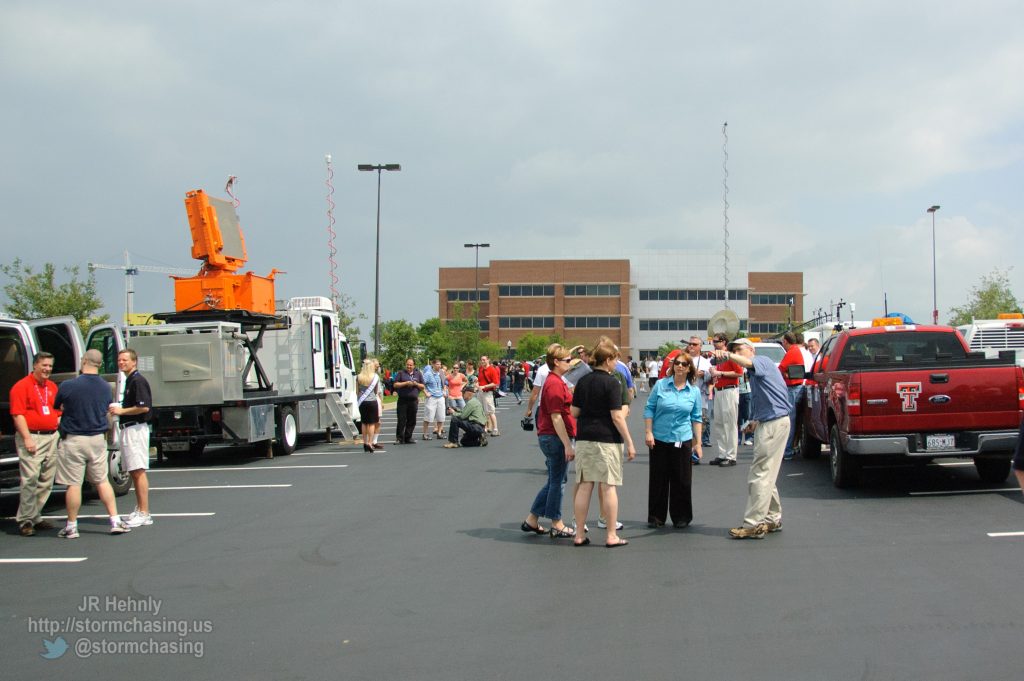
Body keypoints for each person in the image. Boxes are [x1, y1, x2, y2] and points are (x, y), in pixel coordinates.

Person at [712, 338, 791, 540]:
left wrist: (728, 354)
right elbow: (766, 396)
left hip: (773, 424)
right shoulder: (756, 372)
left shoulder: (761, 360)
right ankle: (773, 518)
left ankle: (754, 524)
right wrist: (755, 419)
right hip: (772, 421)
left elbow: (747, 363)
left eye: (740, 349)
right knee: (767, 474)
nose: (737, 353)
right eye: (734, 350)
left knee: (760, 475)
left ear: (751, 349)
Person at [53, 349, 132, 537]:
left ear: (84, 361)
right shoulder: (106, 387)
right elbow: (106, 408)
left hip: (74, 439)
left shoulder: (67, 385)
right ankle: (114, 520)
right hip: (97, 439)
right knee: (102, 480)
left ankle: (71, 526)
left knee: (73, 484)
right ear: (100, 364)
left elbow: (58, 406)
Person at [571, 338, 636, 548]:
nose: (616, 364)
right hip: (607, 439)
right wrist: (630, 442)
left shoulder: (582, 382)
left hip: (584, 438)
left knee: (584, 485)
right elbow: (617, 416)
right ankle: (611, 535)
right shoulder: (612, 383)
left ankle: (579, 533)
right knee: (609, 487)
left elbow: (574, 412)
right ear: (607, 360)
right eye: (615, 360)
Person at [522, 344, 577, 539]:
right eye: (567, 360)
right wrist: (568, 444)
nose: (570, 363)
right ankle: (557, 523)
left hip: (552, 436)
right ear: (556, 362)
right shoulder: (554, 383)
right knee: (557, 482)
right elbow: (556, 417)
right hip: (554, 437)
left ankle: (532, 518)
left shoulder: (557, 380)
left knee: (556, 479)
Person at [643, 352, 702, 528]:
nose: (680, 366)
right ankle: (656, 516)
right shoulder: (661, 385)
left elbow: (696, 418)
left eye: (684, 364)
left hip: (682, 439)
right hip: (659, 438)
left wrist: (697, 443)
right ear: (673, 365)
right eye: (677, 363)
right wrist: (648, 432)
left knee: (682, 480)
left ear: (689, 368)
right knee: (658, 479)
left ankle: (681, 516)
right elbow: (649, 409)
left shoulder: (694, 391)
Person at [10, 352, 61, 536]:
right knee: (30, 479)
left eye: (50, 366)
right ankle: (25, 520)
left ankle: (35, 515)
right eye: (44, 365)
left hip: (51, 436)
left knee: (46, 480)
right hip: (32, 437)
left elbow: (58, 410)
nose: (47, 369)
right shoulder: (21, 387)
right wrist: (27, 438)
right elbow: (18, 414)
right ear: (35, 366)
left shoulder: (52, 387)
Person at [110, 349, 154, 528]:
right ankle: (140, 509)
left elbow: (143, 407)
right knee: (134, 471)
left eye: (125, 360)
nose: (122, 363)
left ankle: (144, 512)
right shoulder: (130, 380)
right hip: (128, 429)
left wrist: (121, 411)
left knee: (138, 470)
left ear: (134, 362)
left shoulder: (138, 380)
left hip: (136, 429)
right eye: (120, 360)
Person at [708, 333, 744, 467]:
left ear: (723, 342)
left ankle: (731, 456)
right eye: (713, 341)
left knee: (729, 424)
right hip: (719, 390)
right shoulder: (717, 358)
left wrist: (721, 373)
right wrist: (714, 372)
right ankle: (722, 454)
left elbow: (739, 372)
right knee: (719, 423)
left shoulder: (729, 355)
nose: (714, 344)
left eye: (717, 341)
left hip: (729, 390)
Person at [778, 332, 807, 460]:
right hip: (795, 387)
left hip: (793, 388)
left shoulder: (792, 352)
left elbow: (780, 369)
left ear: (785, 342)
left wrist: (784, 376)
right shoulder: (796, 350)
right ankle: (792, 447)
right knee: (793, 419)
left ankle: (788, 450)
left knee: (790, 420)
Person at [443, 381, 487, 448]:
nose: (462, 394)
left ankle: (453, 442)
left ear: (469, 393)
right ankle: (480, 439)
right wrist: (457, 410)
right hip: (478, 427)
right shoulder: (474, 401)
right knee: (464, 442)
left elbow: (463, 416)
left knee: (455, 419)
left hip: (475, 426)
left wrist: (453, 412)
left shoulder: (471, 403)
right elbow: (465, 412)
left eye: (463, 392)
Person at [393, 359, 424, 445]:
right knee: (401, 419)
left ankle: (408, 437)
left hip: (413, 401)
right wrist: (406, 383)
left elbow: (422, 386)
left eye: (411, 365)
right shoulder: (401, 373)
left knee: (412, 420)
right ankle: (399, 438)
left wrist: (416, 384)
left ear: (414, 365)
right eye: (407, 365)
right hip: (403, 400)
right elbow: (395, 384)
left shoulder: (418, 374)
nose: (409, 367)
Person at [357, 359, 383, 452]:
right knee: (372, 423)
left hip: (362, 402)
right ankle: (370, 442)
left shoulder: (358, 377)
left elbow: (357, 391)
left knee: (364, 422)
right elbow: (376, 391)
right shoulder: (375, 377)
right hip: (372, 401)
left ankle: (364, 442)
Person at [421, 358, 447, 440]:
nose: (439, 366)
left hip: (440, 397)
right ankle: (425, 434)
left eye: (440, 364)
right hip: (431, 397)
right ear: (433, 365)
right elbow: (422, 384)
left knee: (441, 416)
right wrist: (426, 393)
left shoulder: (441, 373)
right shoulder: (428, 374)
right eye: (437, 364)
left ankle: (439, 433)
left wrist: (444, 391)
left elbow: (444, 383)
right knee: (428, 417)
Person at [477, 355, 501, 436]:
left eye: (484, 360)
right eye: (481, 360)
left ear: (488, 360)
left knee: (490, 411)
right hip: (480, 392)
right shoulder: (481, 369)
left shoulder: (492, 369)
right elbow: (479, 380)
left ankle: (495, 429)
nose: (482, 361)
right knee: (481, 411)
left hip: (488, 393)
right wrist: (477, 385)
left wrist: (485, 386)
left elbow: (495, 383)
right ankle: (485, 428)